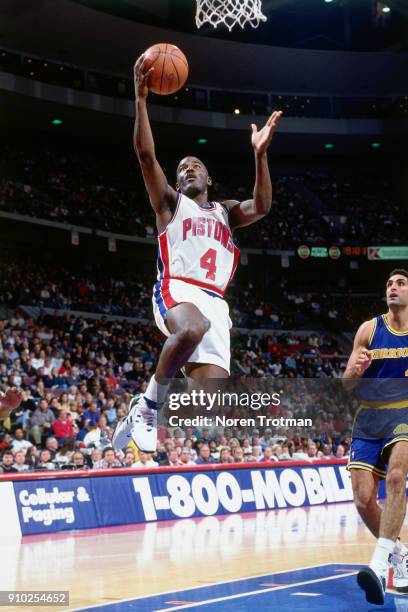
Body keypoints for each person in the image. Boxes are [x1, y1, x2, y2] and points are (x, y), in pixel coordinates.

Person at [112, 54, 282, 454]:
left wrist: (260, 155)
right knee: (191, 328)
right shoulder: (170, 204)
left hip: (216, 304)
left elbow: (262, 206)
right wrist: (140, 98)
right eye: (182, 168)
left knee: (209, 409)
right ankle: (148, 408)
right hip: (178, 288)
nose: (187, 169)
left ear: (209, 179)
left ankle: (141, 404)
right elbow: (146, 156)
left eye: (196, 166)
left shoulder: (225, 211)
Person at [343, 269, 408, 604]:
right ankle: (401, 556)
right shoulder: (369, 329)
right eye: (388, 284)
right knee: (363, 499)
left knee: (397, 477)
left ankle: (379, 565)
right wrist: (356, 371)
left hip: (404, 412)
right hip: (369, 416)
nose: (392, 288)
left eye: (400, 283)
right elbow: (346, 383)